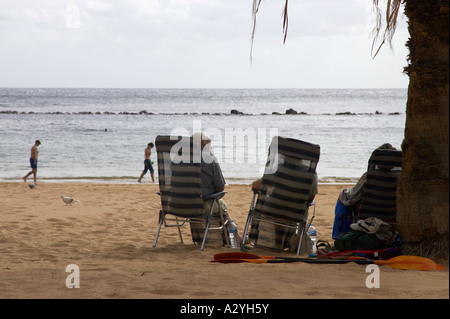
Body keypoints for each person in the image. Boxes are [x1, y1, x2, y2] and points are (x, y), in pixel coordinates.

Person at [332, 143, 397, 239]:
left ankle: (341, 236)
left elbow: (353, 196)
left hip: (368, 216)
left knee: (343, 197)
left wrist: (345, 193)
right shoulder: (400, 178)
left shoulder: (369, 177)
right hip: (392, 215)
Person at [190, 132, 241, 245]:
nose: (211, 146)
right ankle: (235, 234)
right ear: (201, 145)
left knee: (217, 202)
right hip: (200, 205)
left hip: (178, 205)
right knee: (220, 203)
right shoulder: (210, 158)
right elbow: (220, 187)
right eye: (208, 143)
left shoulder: (178, 159)